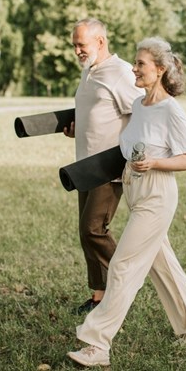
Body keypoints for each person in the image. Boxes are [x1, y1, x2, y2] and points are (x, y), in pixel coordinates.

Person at [67, 37, 186, 367]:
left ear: (160, 70)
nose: (133, 68)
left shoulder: (170, 110)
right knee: (163, 266)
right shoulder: (139, 106)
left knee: (122, 265)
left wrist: (155, 163)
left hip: (157, 194)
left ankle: (97, 344)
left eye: (141, 64)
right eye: (134, 63)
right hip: (136, 191)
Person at [64, 18, 143, 314]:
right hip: (85, 164)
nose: (77, 51)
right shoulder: (90, 71)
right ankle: (100, 297)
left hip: (108, 166)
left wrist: (134, 155)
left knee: (93, 228)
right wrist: (77, 127)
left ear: (100, 41)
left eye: (81, 44)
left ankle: (125, 286)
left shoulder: (120, 73)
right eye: (74, 45)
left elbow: (142, 113)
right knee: (86, 230)